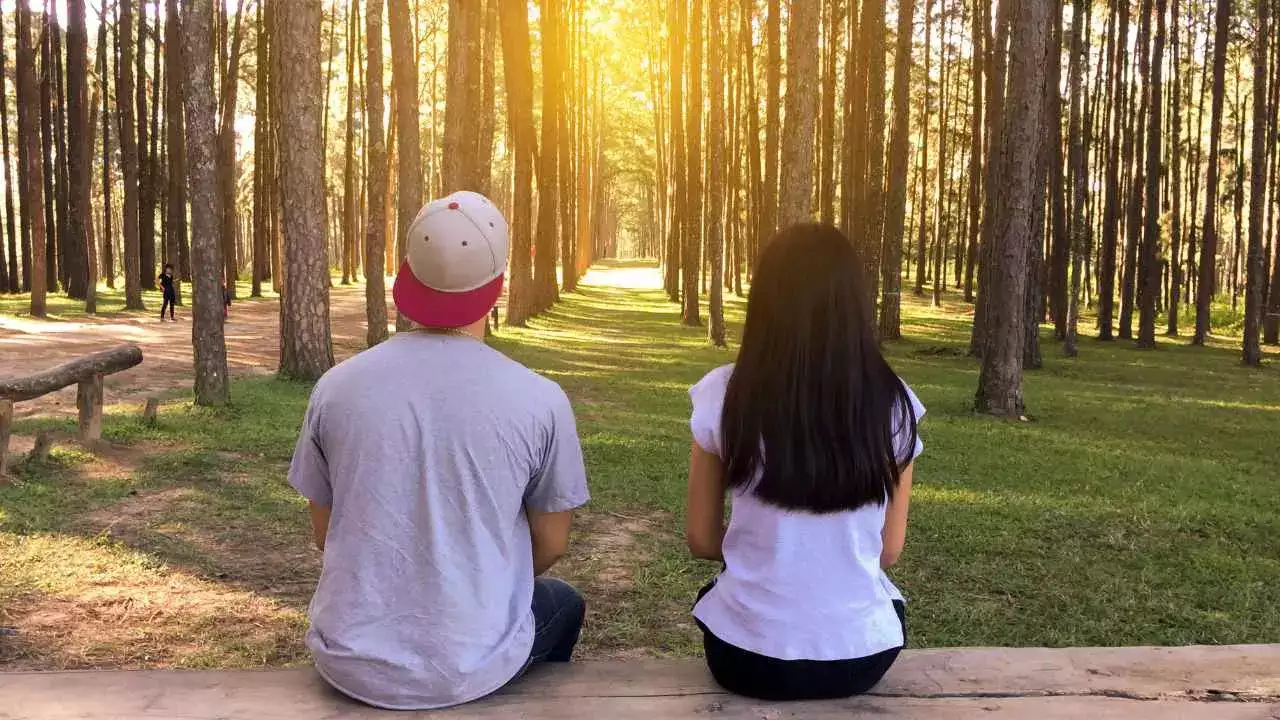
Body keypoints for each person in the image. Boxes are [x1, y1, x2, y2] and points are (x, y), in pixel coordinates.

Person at [287, 190, 590, 711]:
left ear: (408, 273)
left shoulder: (335, 388)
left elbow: (324, 533)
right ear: (497, 285)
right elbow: (552, 542)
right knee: (563, 603)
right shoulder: (540, 399)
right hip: (471, 664)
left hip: (348, 657)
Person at [685, 224, 924, 702]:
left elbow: (702, 539)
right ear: (854, 306)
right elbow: (889, 550)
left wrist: (763, 556)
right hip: (859, 660)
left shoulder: (723, 394)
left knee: (717, 599)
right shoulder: (895, 404)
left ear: (764, 304)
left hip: (744, 657)